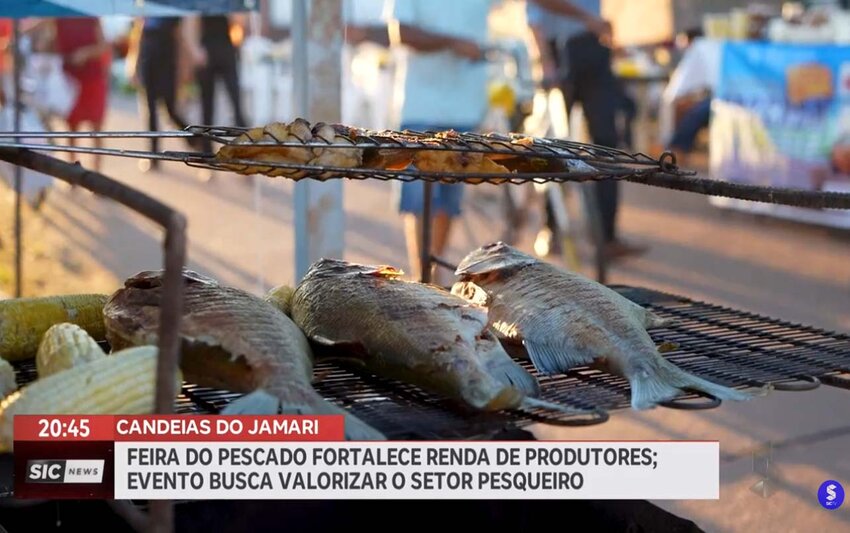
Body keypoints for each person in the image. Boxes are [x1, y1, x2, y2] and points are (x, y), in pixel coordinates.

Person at [527, 0, 647, 261]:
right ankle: (551, 228)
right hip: (557, 52)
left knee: (607, 146)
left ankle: (607, 236)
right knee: (552, 146)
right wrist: (546, 59)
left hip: (592, 50)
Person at [384, 0, 493, 284]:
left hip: (466, 105)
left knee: (448, 200)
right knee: (418, 198)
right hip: (421, 107)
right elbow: (401, 33)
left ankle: (431, 270)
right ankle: (422, 274)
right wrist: (452, 42)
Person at [128, 17, 198, 172]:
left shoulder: (171, 11)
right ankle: (154, 155)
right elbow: (139, 32)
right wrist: (134, 63)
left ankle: (193, 138)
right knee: (150, 110)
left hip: (166, 60)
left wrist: (184, 68)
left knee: (170, 109)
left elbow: (180, 37)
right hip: (148, 59)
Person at [182, 14, 248, 153]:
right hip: (206, 53)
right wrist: (195, 51)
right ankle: (207, 154)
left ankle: (246, 151)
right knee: (207, 108)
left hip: (226, 50)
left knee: (236, 103)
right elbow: (190, 24)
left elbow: (240, 23)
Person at [53, 17, 111, 173]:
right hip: (70, 80)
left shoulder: (90, 16)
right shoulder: (58, 16)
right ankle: (72, 172)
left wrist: (85, 53)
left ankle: (97, 175)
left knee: (96, 129)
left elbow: (103, 46)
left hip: (92, 79)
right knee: (71, 128)